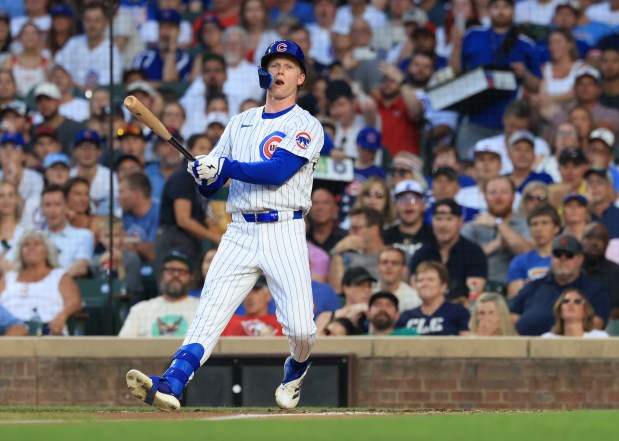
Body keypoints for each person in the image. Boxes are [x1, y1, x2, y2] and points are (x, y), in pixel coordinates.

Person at [126, 40, 325, 411]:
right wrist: (205, 173)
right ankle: (172, 381)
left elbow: (279, 171)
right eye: (274, 65)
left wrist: (227, 168)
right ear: (265, 73)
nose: (280, 71)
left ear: (300, 77)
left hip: (284, 228)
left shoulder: (306, 124)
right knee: (210, 311)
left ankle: (296, 367)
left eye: (288, 66)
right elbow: (213, 183)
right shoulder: (240, 122)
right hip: (239, 230)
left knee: (301, 329)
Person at [510, 234, 611, 336]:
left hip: (572, 348)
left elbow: (595, 326)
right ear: (551, 258)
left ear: (580, 259)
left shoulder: (595, 290)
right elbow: (511, 320)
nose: (563, 259)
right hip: (526, 347)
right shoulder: (533, 286)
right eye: (557, 254)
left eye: (569, 255)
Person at [0, 229, 81, 336]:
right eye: (26, 245)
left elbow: (74, 302)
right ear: (20, 252)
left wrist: (62, 316)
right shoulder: (9, 277)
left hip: (48, 331)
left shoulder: (59, 276)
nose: (31, 248)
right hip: (8, 333)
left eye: (36, 244)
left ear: (47, 250)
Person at [461, 175, 533, 290]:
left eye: (504, 192)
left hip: (514, 288)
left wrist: (498, 223)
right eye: (492, 193)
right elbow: (462, 259)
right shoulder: (474, 225)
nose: (498, 197)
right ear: (484, 197)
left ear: (513, 197)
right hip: (479, 289)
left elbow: (527, 252)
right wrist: (496, 244)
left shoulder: (524, 223)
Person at [410, 199, 487, 300]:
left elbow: (475, 293)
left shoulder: (473, 253)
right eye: (439, 219)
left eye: (449, 219)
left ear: (460, 222)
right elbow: (414, 289)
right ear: (432, 221)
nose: (443, 225)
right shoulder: (422, 254)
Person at [119, 250, 200, 338]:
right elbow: (123, 347)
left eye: (181, 271)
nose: (176, 275)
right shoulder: (140, 310)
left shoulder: (202, 310)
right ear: (162, 274)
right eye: (170, 270)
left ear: (191, 276)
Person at [397, 261, 470, 336]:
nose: (424, 284)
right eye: (420, 280)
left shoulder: (458, 312)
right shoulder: (406, 316)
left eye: (430, 280)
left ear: (443, 286)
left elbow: (468, 343)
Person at [506, 204, 561, 298]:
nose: (539, 229)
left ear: (556, 228)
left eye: (544, 223)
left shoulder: (564, 259)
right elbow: (514, 296)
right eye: (534, 224)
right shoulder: (519, 262)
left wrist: (528, 285)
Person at [40, 184, 94, 278]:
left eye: (57, 204)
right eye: (48, 205)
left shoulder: (83, 235)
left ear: (66, 207)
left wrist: (52, 280)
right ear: (41, 209)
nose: (53, 210)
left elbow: (81, 267)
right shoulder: (37, 238)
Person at [328, 206, 385, 292]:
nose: (351, 233)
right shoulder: (347, 254)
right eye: (350, 229)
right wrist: (337, 251)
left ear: (374, 229)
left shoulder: (392, 256)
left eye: (356, 228)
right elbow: (337, 289)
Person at [383, 179, 434, 263]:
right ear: (395, 206)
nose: (408, 204)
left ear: (423, 205)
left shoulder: (434, 235)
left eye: (413, 199)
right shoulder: (385, 237)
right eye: (402, 199)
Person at [581, 222, 619, 321]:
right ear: (581, 241)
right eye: (589, 238)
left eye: (600, 238)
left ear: (607, 244)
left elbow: (615, 309)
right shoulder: (572, 268)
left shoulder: (616, 272)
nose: (594, 242)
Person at [118, 172, 158, 263]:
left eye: (121, 192)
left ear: (137, 193)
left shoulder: (159, 214)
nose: (118, 197)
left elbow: (154, 252)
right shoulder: (125, 215)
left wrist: (132, 244)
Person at [541, 288, 610, 338]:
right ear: (559, 311)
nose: (571, 304)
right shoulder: (547, 338)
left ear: (585, 310)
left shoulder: (600, 337)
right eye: (565, 301)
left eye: (577, 301)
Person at [374, 246, 421, 312]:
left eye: (394, 263)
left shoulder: (414, 299)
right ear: (377, 267)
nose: (389, 266)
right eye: (384, 262)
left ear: (404, 269)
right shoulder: (369, 292)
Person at [306, 187, 347, 253]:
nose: (320, 207)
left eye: (326, 203)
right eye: (315, 203)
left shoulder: (345, 238)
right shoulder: (302, 236)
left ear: (335, 209)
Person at [585, 168, 619, 239]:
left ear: (609, 187)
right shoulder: (580, 217)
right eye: (590, 182)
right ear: (586, 189)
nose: (594, 187)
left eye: (599, 182)